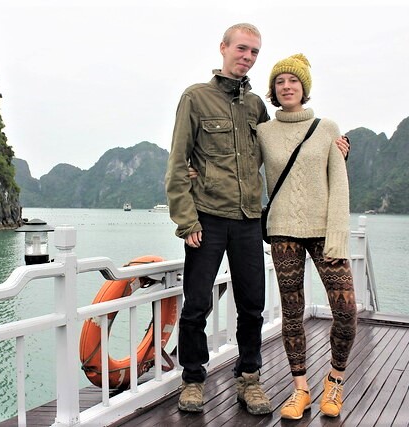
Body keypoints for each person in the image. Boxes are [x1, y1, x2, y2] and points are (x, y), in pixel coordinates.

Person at [165, 22, 273, 415]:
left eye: (254, 52)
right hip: (207, 220)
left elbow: (276, 152)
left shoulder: (256, 105)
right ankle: (192, 379)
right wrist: (187, 221)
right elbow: (178, 164)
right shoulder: (195, 98)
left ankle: (250, 379)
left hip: (247, 220)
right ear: (223, 48)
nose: (247, 57)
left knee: (253, 305)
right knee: (196, 305)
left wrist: (333, 147)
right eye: (241, 49)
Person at [257, 53, 357, 420]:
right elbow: (242, 173)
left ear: (304, 89)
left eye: (293, 82)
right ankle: (301, 389)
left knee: (346, 310)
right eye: (280, 82)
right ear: (273, 90)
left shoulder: (327, 128)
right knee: (292, 314)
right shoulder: (263, 132)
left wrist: (338, 235)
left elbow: (338, 183)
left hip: (322, 233)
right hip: (283, 232)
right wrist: (195, 172)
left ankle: (335, 381)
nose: (286, 87)